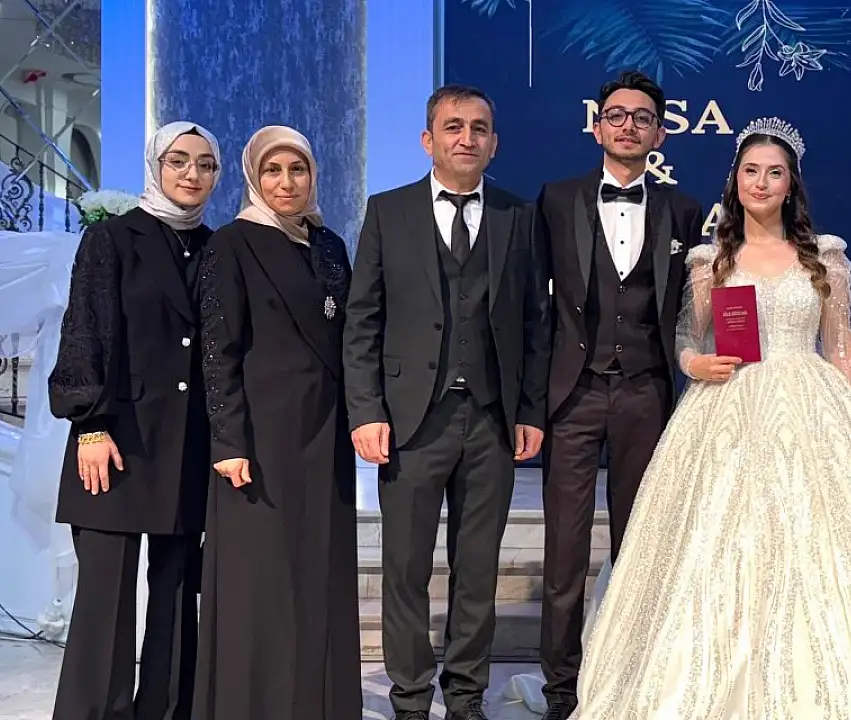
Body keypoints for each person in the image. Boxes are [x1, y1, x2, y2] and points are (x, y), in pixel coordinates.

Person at [567, 118, 851, 719]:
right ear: (735, 181)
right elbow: (687, 333)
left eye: (775, 173)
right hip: (728, 411)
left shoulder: (823, 257)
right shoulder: (712, 259)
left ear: (791, 185)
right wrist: (693, 361)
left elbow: (842, 348)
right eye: (751, 171)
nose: (762, 183)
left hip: (813, 406)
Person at [343, 84, 551, 720]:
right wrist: (366, 411)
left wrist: (530, 411)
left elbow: (536, 323)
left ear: (494, 143)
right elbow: (362, 320)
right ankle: (410, 699)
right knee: (405, 569)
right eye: (454, 126)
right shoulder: (388, 211)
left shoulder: (519, 215)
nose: (467, 138)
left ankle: (465, 697)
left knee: (477, 570)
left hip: (490, 420)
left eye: (479, 128)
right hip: (410, 421)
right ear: (428, 140)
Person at [534, 69, 704, 720]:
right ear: (597, 126)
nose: (628, 125)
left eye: (642, 118)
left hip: (647, 395)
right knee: (564, 554)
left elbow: (694, 311)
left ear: (660, 134)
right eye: (617, 115)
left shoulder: (683, 212)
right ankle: (562, 689)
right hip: (572, 397)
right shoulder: (555, 200)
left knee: (639, 549)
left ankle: (630, 680)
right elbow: (534, 309)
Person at [48, 121, 221, 720]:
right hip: (117, 442)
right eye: (179, 161)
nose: (192, 174)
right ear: (156, 166)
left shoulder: (218, 248)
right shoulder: (112, 239)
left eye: (205, 164)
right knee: (106, 604)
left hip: (189, 445)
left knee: (177, 598)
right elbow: (85, 332)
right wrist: (89, 425)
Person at [193, 125, 360, 719]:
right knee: (260, 579)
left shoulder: (329, 244)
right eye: (272, 170)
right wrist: (227, 441)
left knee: (320, 572)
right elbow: (218, 349)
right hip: (259, 442)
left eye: (297, 170)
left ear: (313, 175)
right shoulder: (232, 244)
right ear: (253, 177)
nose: (286, 183)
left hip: (325, 434)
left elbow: (347, 334)